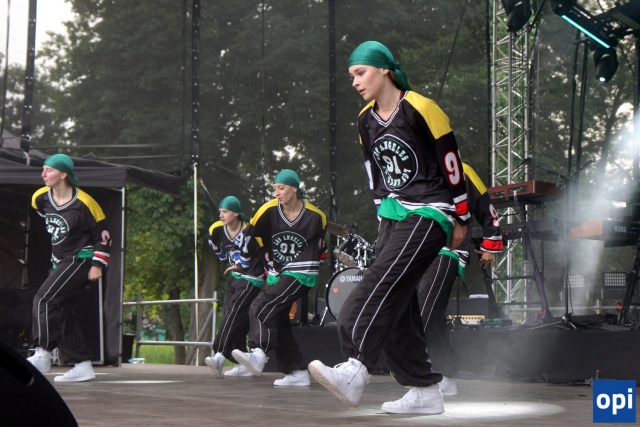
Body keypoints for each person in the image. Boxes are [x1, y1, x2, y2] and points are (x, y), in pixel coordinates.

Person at [308, 40, 470, 414]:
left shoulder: (422, 108)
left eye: (360, 72)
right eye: (351, 75)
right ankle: (424, 389)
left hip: (430, 211)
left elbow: (452, 164)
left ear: (384, 70)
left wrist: (461, 217)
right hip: (393, 215)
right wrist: (382, 214)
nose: (355, 81)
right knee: (399, 303)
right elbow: (375, 173)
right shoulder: (365, 120)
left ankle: (355, 367)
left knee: (379, 283)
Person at [231, 169, 327, 387]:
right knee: (279, 320)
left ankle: (258, 352)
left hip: (302, 270)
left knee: (261, 305)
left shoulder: (316, 216)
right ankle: (296, 370)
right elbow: (249, 238)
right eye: (274, 189)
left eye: (281, 188)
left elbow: (320, 246)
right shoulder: (267, 211)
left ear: (294, 188)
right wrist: (244, 263)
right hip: (278, 271)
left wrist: (315, 263)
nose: (277, 193)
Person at [418, 163, 503, 396]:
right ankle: (444, 377)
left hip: (448, 250)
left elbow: (486, 207)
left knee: (423, 312)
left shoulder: (460, 168)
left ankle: (421, 380)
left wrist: (490, 245)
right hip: (418, 251)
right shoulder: (416, 168)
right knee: (433, 315)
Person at [27, 153, 111, 382]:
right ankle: (82, 365)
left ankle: (43, 353)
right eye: (43, 169)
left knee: (44, 299)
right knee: (61, 311)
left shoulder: (85, 203)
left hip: (81, 260)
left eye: (49, 170)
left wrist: (97, 265)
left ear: (63, 174)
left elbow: (103, 237)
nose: (43, 174)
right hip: (60, 261)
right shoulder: (40, 198)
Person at [204, 196, 265, 377]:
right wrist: (221, 253)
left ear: (236, 213)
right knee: (231, 317)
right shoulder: (218, 229)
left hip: (251, 278)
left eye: (225, 211)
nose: (221, 215)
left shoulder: (248, 231)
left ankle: (219, 355)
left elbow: (257, 255)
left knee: (233, 314)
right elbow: (219, 252)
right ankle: (243, 362)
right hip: (234, 277)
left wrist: (240, 265)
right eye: (220, 211)